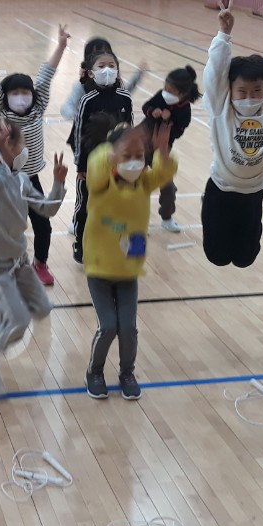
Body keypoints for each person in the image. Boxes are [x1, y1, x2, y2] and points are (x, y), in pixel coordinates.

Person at [0, 119, 67, 395]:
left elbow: (48, 209)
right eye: (22, 144)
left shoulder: (21, 180)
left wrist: (58, 183)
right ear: (7, 145)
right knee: (19, 322)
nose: (25, 150)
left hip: (19, 261)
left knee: (42, 308)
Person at [0, 22, 69, 292]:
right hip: (3, 178)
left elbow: (46, 75)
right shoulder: (0, 112)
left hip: (29, 177)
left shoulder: (38, 108)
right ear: (6, 97)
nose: (21, 97)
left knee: (43, 226)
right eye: (15, 93)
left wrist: (60, 46)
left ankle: (40, 264)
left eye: (26, 92)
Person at [201, 3, 263, 267]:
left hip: (253, 192)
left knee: (246, 258)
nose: (250, 97)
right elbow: (215, 73)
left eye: (257, 91)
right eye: (242, 92)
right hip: (221, 189)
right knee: (217, 256)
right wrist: (224, 35)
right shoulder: (221, 105)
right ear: (230, 90)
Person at [83, 119, 176, 400]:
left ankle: (127, 372)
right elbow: (96, 166)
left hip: (129, 271)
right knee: (108, 326)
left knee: (128, 328)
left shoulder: (144, 183)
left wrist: (162, 151)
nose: (135, 161)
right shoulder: (102, 183)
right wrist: (113, 150)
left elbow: (165, 171)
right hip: (99, 269)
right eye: (127, 155)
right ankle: (95, 371)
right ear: (113, 156)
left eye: (139, 155)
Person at [69, 43, 134, 264]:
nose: (107, 69)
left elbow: (129, 129)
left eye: (112, 65)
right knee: (85, 205)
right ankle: (80, 242)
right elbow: (79, 133)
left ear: (118, 70)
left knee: (119, 203)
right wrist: (81, 165)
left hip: (118, 164)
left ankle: (114, 242)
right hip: (91, 165)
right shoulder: (88, 100)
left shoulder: (125, 97)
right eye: (101, 66)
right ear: (91, 72)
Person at [141, 64, 201, 233]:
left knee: (167, 186)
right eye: (166, 88)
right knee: (136, 181)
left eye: (171, 90)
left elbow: (178, 132)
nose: (166, 92)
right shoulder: (161, 96)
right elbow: (146, 106)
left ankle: (167, 218)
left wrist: (169, 121)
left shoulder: (185, 111)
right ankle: (136, 218)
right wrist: (153, 111)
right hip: (142, 144)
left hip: (162, 150)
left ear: (183, 94)